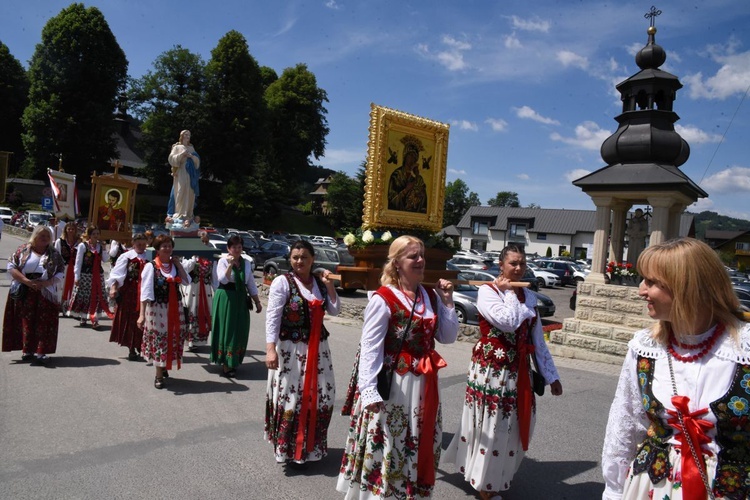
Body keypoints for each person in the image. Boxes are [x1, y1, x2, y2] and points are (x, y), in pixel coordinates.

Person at [602, 237, 749, 500]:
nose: (641, 290)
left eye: (652, 282)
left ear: (687, 287)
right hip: (652, 486)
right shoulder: (646, 348)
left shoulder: (743, 350)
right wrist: (613, 489)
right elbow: (624, 424)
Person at [337, 235, 459, 498]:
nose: (420, 260)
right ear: (397, 264)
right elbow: (370, 347)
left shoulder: (429, 295)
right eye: (412, 256)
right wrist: (368, 390)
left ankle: (408, 492)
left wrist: (447, 301)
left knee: (416, 440)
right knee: (390, 441)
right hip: (395, 385)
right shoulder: (383, 299)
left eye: (421, 255)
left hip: (424, 384)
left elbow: (447, 337)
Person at [444, 244, 563, 500]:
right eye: (513, 263)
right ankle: (485, 482)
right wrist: (507, 292)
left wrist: (551, 376)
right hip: (492, 371)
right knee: (492, 424)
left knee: (515, 425)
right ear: (501, 265)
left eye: (522, 263)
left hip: (518, 369)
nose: (519, 268)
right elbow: (507, 323)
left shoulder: (529, 297)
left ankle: (498, 475)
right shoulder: (487, 292)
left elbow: (537, 340)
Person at [264, 240, 340, 467]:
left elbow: (335, 310)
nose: (299, 261)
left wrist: (329, 286)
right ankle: (289, 448)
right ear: (290, 260)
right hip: (291, 350)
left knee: (321, 394)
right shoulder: (282, 282)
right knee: (292, 396)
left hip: (318, 349)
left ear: (312, 259)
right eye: (295, 257)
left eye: (304, 257)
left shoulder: (318, 281)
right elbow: (273, 316)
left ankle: (311, 446)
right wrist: (270, 349)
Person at [2, 225, 65, 363]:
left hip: (45, 292)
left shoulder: (54, 254)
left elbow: (61, 271)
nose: (44, 238)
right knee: (25, 321)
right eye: (41, 235)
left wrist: (46, 283)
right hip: (25, 291)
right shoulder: (23, 250)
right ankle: (27, 351)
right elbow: (11, 266)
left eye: (47, 236)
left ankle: (41, 352)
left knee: (43, 322)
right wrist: (26, 281)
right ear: (35, 236)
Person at [137, 234, 190, 389]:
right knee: (160, 339)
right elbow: (145, 292)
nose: (167, 249)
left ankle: (164, 365)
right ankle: (158, 375)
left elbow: (186, 281)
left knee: (172, 338)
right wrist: (141, 315)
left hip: (175, 308)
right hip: (157, 310)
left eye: (169, 246)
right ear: (158, 249)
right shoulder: (151, 266)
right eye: (164, 246)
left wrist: (179, 265)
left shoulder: (174, 266)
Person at [211, 235, 262, 377]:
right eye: (234, 247)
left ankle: (234, 360)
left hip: (240, 298)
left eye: (239, 247)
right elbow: (222, 280)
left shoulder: (246, 263)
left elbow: (250, 283)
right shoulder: (222, 261)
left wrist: (257, 301)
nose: (237, 250)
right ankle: (226, 364)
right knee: (227, 329)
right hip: (226, 297)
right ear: (229, 248)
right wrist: (230, 265)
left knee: (239, 329)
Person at [107, 233, 149, 361]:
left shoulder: (150, 256)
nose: (141, 247)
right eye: (138, 244)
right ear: (133, 243)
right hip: (130, 293)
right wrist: (114, 288)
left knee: (146, 319)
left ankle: (142, 346)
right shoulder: (126, 257)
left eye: (143, 244)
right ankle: (131, 348)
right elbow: (117, 274)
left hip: (146, 292)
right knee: (131, 320)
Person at [68, 225, 112, 328]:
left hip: (98, 276)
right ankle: (83, 317)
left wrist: (104, 248)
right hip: (85, 275)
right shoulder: (83, 246)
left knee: (96, 296)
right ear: (89, 235)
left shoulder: (100, 246)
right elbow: (78, 263)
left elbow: (105, 260)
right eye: (94, 234)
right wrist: (77, 277)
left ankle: (94, 319)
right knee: (85, 296)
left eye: (97, 234)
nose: (96, 236)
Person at [182, 238, 215, 352]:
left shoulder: (211, 259)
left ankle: (199, 339)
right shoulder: (189, 256)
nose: (203, 245)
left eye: (205, 242)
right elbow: (185, 269)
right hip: (192, 290)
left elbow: (214, 278)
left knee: (205, 312)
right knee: (191, 312)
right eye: (201, 242)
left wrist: (217, 292)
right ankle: (190, 340)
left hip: (205, 291)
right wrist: (194, 257)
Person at [387, 135, 428, 213]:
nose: (412, 159)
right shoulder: (396, 175)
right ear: (405, 156)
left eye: (415, 157)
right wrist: (406, 190)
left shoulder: (419, 178)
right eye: (410, 155)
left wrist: (420, 192)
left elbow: (424, 203)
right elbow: (391, 200)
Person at [167, 129, 200, 222]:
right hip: (181, 172)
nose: (187, 136)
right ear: (182, 136)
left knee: (189, 193)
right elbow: (171, 159)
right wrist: (182, 154)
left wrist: (192, 157)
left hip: (190, 174)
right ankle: (179, 212)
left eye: (189, 134)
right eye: (186, 134)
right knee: (180, 191)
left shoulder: (191, 148)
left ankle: (188, 213)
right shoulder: (177, 147)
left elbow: (197, 162)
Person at [54, 221, 79, 311]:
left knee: (73, 286)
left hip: (75, 267)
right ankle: (60, 305)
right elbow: (56, 255)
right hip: (64, 267)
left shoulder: (79, 242)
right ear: (65, 230)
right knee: (62, 286)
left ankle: (69, 306)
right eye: (69, 229)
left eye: (73, 229)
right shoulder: (60, 241)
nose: (71, 231)